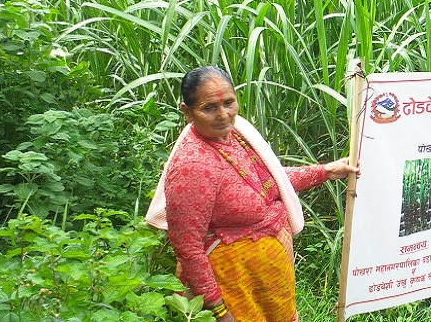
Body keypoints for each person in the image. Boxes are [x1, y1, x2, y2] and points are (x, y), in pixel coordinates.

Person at [145, 66, 359, 322]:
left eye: (229, 103)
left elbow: (267, 180)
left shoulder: (236, 135)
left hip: (266, 285)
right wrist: (220, 311)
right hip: (234, 288)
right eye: (209, 108)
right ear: (187, 113)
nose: (223, 115)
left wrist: (324, 171)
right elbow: (188, 248)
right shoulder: (192, 164)